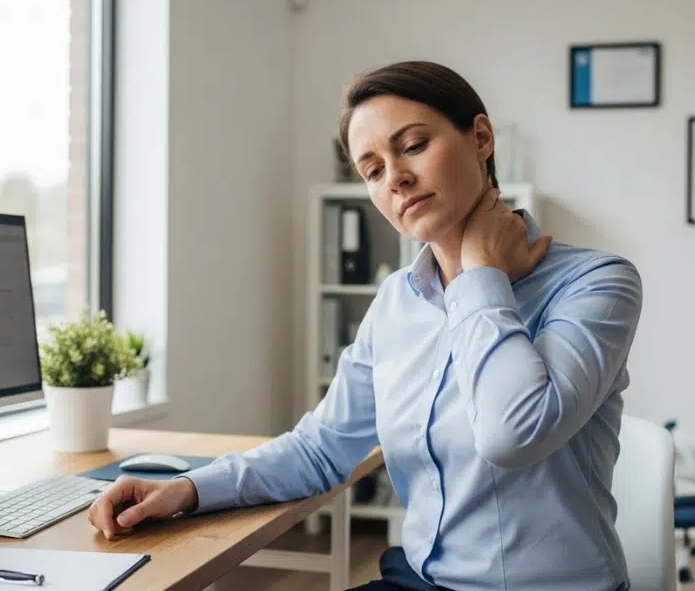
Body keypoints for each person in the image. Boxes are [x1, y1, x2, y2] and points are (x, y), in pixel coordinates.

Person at [88, 60, 642, 591]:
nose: (396, 178)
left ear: (480, 138)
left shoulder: (596, 283)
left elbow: (511, 435)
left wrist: (480, 275)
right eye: (373, 170)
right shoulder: (397, 301)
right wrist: (185, 489)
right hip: (420, 580)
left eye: (414, 146)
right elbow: (321, 448)